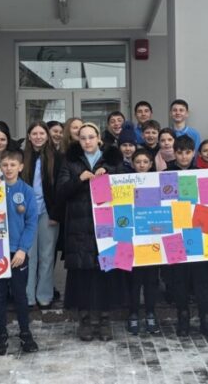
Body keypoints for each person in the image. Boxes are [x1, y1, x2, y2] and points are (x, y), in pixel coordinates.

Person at [56, 123, 124, 342]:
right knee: (82, 275)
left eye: (91, 137)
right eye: (83, 137)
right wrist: (79, 179)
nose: (87, 141)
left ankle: (104, 320)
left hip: (107, 226)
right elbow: (61, 191)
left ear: (99, 139)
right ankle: (84, 320)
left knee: (106, 274)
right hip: (79, 227)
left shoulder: (112, 159)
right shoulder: (70, 161)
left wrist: (109, 175)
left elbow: (125, 189)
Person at [163, 135, 208, 339]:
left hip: (198, 233)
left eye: (187, 152)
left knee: (202, 279)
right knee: (179, 279)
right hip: (174, 234)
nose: (183, 156)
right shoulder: (165, 174)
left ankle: (206, 318)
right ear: (174, 153)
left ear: (193, 153)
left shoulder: (203, 174)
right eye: (180, 152)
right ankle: (183, 317)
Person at [0, 150, 40, 355]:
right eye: (5, 165)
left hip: (18, 252)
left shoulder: (27, 191)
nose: (8, 168)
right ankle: (1, 334)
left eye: (13, 165)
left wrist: (22, 249)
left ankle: (25, 332)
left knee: (20, 294)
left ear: (20, 167)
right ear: (0, 167)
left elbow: (31, 222)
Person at [21, 123, 61, 309]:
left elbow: (60, 187)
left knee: (47, 255)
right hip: (26, 213)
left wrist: (56, 213)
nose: (38, 137)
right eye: (34, 133)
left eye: (41, 133)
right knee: (29, 254)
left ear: (47, 136)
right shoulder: (22, 157)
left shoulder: (57, 158)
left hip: (48, 211)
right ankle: (28, 295)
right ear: (29, 136)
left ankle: (44, 295)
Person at [126, 149, 161, 336]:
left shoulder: (158, 181)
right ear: (132, 163)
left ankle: (150, 312)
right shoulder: (124, 181)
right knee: (134, 280)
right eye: (138, 161)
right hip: (133, 239)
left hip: (153, 239)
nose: (141, 165)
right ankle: (133, 313)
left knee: (151, 280)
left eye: (145, 162)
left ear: (151, 164)